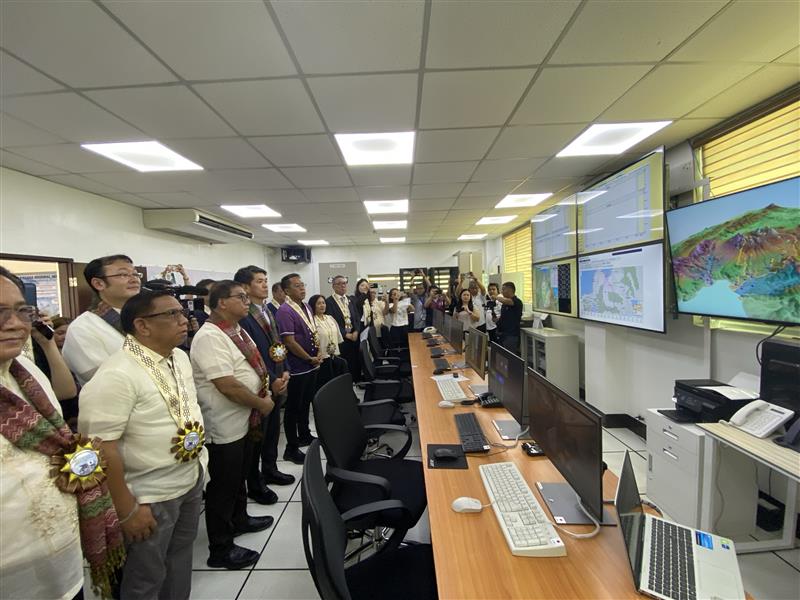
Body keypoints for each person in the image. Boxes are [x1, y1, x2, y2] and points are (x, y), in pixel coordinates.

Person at [0, 267, 124, 600]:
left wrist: (47, 345)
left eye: (21, 311)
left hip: (59, 560)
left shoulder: (24, 372)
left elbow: (65, 394)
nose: (14, 323)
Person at [79, 290, 206, 599]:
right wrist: (127, 510)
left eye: (181, 312)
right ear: (143, 326)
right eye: (171, 315)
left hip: (188, 478)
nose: (184, 320)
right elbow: (98, 449)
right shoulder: (116, 374)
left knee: (179, 562)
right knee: (146, 577)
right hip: (147, 494)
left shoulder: (178, 357)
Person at [190, 280, 275, 570]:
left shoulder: (236, 329)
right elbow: (227, 385)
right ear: (221, 302)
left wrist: (269, 384)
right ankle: (221, 548)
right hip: (224, 424)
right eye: (240, 297)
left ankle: (240, 519)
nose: (247, 301)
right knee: (223, 487)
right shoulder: (210, 337)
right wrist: (261, 403)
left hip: (244, 420)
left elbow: (251, 368)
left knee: (239, 477)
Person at [233, 266, 294, 506]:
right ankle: (255, 484)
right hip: (261, 382)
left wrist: (286, 368)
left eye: (266, 280)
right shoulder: (244, 316)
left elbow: (277, 345)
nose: (265, 285)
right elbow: (251, 355)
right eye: (259, 281)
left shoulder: (267, 310)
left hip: (278, 377)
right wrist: (272, 377)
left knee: (271, 433)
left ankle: (271, 469)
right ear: (245, 288)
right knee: (257, 438)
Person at [63, 254, 141, 385]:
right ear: (99, 283)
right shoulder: (82, 329)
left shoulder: (146, 317)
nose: (134, 280)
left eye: (136, 274)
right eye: (123, 275)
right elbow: (106, 381)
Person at [276, 274, 321, 465]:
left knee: (306, 403)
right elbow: (289, 342)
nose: (302, 289)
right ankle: (291, 448)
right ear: (286, 291)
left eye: (303, 285)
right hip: (298, 366)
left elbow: (313, 332)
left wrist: (317, 353)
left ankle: (304, 434)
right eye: (297, 286)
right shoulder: (285, 311)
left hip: (311, 364)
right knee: (293, 408)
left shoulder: (306, 306)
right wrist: (309, 357)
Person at [325, 275, 361, 382]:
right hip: (341, 339)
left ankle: (356, 383)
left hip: (354, 338)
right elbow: (331, 321)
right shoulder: (329, 302)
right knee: (344, 366)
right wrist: (346, 334)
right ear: (333, 286)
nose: (342, 286)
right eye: (339, 284)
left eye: (344, 283)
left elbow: (357, 317)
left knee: (355, 363)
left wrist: (356, 331)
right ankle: (346, 388)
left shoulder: (350, 299)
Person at [308, 294, 346, 391]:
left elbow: (338, 337)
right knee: (325, 386)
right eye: (319, 303)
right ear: (313, 305)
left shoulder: (330, 318)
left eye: (323, 303)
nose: (322, 305)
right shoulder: (311, 321)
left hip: (334, 356)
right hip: (322, 359)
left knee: (337, 384)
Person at [495, 281, 523, 355]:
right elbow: (504, 317)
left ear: (510, 290)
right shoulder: (505, 304)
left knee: (509, 357)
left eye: (504, 289)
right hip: (502, 334)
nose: (502, 291)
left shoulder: (517, 302)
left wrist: (496, 297)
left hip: (511, 335)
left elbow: (506, 301)